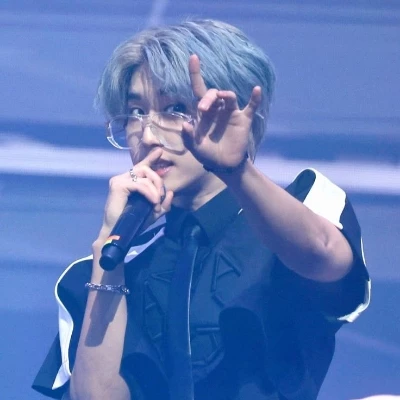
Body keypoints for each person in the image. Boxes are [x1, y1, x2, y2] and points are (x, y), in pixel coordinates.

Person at [32, 19, 370, 400]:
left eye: (175, 108)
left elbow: (325, 256)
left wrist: (236, 170)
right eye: (136, 112)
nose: (147, 135)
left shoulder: (303, 204)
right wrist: (109, 251)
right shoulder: (106, 268)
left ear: (235, 113)